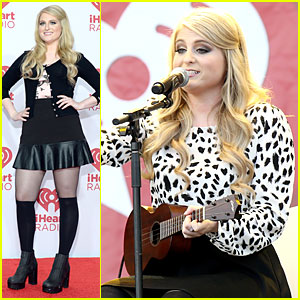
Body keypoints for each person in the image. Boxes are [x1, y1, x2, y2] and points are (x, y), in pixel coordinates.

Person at [100, 7, 295, 298]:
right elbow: (101, 151)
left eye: (202, 49)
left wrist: (216, 227)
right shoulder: (158, 121)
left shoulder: (264, 120)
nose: (187, 58)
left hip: (237, 267)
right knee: (111, 293)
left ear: (230, 58)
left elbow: (271, 216)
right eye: (180, 49)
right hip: (167, 264)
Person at [3, 5, 100, 294]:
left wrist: (81, 104)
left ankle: (61, 264)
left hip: (67, 133)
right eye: (42, 22)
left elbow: (100, 87)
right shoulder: (28, 58)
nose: (47, 27)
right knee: (23, 198)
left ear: (62, 26)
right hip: (33, 133)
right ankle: (26, 260)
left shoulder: (75, 59)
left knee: (67, 198)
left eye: (52, 22)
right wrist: (12, 111)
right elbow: (2, 86)